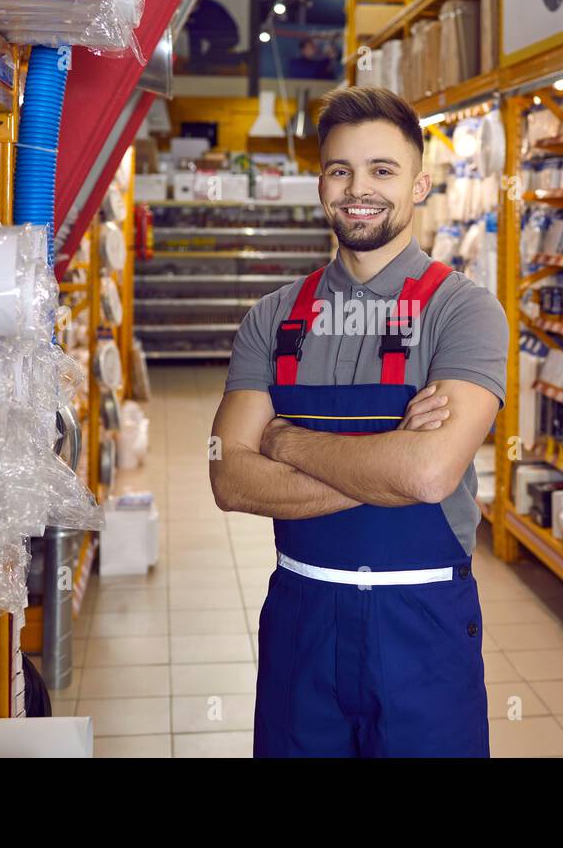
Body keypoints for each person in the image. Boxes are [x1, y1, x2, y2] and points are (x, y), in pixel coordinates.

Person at [209, 86, 509, 758]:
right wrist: (390, 461)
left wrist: (283, 441)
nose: (358, 189)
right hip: (301, 621)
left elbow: (430, 474)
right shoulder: (273, 318)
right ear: (321, 184)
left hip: (422, 626)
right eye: (340, 169)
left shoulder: (463, 314)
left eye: (383, 170)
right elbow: (229, 478)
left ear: (421, 184)